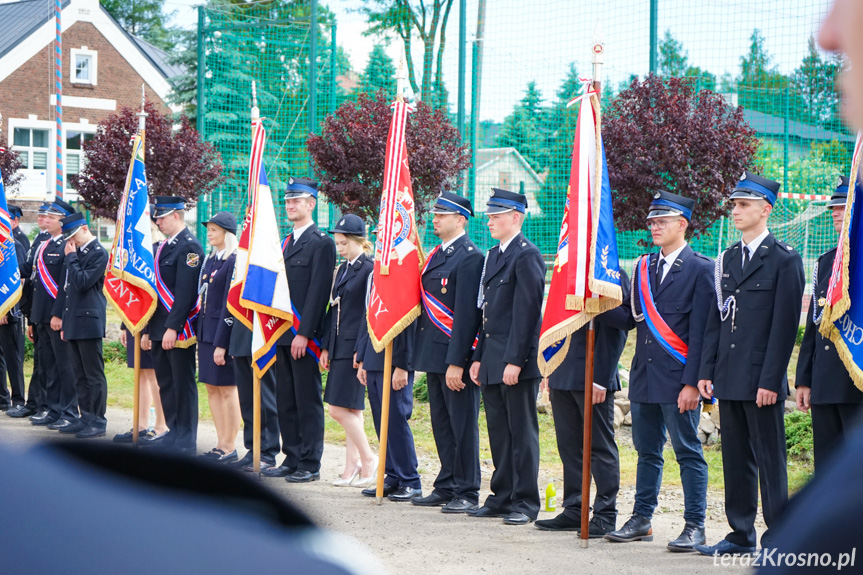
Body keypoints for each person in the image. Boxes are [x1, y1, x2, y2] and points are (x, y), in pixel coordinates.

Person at [696, 171, 805, 555]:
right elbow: (717, 321)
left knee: (770, 460)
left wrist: (771, 380)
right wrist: (707, 371)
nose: (736, 211)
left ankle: (779, 539)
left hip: (761, 379)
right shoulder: (725, 259)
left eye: (743, 204)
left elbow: (785, 327)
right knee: (735, 457)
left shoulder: (784, 260)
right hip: (730, 374)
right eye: (734, 205)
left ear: (765, 209)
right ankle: (740, 534)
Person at [599, 191, 712, 551]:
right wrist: (597, 298)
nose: (655, 227)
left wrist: (693, 383)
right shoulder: (644, 267)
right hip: (645, 377)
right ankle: (642, 518)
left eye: (662, 221)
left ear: (683, 224)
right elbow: (630, 319)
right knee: (647, 451)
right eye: (652, 222)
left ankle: (695, 525)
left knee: (687, 451)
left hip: (680, 380)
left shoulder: (701, 268)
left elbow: (704, 333)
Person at [468, 188, 545, 526]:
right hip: (492, 358)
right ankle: (501, 495)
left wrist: (515, 360)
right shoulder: (495, 255)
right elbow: (489, 316)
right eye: (489, 215)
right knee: (499, 431)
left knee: (522, 432)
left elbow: (527, 313)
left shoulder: (526, 255)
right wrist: (478, 356)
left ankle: (525, 501)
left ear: (516, 217)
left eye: (495, 215)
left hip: (517, 361)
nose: (489, 220)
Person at [535, 270, 629, 537]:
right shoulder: (568, 270)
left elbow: (617, 330)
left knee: (599, 446)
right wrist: (549, 368)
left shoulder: (608, 270)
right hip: (563, 371)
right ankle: (575, 508)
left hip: (592, 375)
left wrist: (601, 377)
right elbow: (555, 321)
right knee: (569, 446)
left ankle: (605, 513)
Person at [410, 193, 484, 513]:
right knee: (442, 422)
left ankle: (467, 489)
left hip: (456, 358)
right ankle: (447, 483)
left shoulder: (469, 257)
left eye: (443, 214)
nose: (435, 219)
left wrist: (458, 362)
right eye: (435, 214)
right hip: (433, 352)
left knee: (462, 424)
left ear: (461, 219)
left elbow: (468, 316)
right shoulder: (437, 255)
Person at [795, 177, 863, 471]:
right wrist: (804, 379)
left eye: (843, 206)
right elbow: (814, 325)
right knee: (826, 467)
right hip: (824, 383)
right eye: (834, 207)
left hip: (855, 382)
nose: (835, 212)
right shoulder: (826, 262)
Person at [271, 177, 335, 483]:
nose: (290, 205)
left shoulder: (322, 242)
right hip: (281, 332)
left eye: (296, 201)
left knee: (307, 399)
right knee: (285, 398)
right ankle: (292, 456)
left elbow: (318, 293)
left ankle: (310, 462)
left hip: (302, 335)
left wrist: (305, 333)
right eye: (287, 201)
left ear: (311, 204)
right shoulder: (285, 242)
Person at [141, 196, 205, 455]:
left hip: (177, 330)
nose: (158, 221)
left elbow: (186, 293)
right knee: (165, 383)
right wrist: (148, 329)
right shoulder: (163, 247)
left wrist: (173, 327)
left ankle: (187, 439)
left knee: (182, 383)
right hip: (158, 327)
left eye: (162, 217)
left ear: (176, 216)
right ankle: (173, 431)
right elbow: (155, 292)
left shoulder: (190, 248)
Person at [319, 214, 377, 487]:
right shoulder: (343, 269)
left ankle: (368, 459)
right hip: (339, 346)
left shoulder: (368, 268)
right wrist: (326, 348)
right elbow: (334, 311)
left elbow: (369, 314)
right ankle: (351, 465)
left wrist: (362, 351)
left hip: (355, 346)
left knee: (337, 410)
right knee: (352, 410)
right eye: (337, 243)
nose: (339, 248)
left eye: (343, 243)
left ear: (358, 241)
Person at [355, 277, 420, 501]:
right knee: (381, 422)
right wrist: (363, 358)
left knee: (396, 419)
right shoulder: (376, 271)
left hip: (394, 360)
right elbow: (370, 316)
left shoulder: (403, 268)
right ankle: (392, 475)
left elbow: (408, 319)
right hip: (374, 355)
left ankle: (410, 479)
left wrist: (403, 365)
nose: (381, 241)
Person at [57, 212, 109, 438]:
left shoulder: (98, 253)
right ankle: (85, 416)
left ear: (85, 229)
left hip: (89, 321)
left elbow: (82, 282)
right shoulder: (76, 253)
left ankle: (98, 420)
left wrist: (71, 258)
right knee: (78, 373)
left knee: (93, 374)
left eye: (74, 235)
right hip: (74, 320)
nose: (71, 241)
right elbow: (67, 292)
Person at [29, 198, 77, 429]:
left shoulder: (67, 245)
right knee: (48, 365)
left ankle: (68, 411)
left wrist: (58, 314)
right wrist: (33, 317)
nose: (45, 220)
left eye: (51, 217)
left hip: (56, 316)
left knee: (64, 366)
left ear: (63, 221)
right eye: (45, 216)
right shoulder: (45, 243)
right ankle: (52, 408)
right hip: (42, 315)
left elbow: (64, 286)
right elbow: (36, 283)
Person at [196, 212, 240, 463]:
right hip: (206, 332)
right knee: (212, 387)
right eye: (209, 229)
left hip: (222, 335)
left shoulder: (233, 261)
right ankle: (220, 442)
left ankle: (230, 445)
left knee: (227, 389)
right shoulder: (211, 260)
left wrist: (222, 343)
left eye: (214, 229)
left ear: (227, 233)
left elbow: (229, 305)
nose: (210, 234)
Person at [6, 204, 50, 419]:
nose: (41, 219)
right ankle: (31, 403)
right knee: (39, 361)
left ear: (13, 219)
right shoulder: (39, 239)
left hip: (24, 309)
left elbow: (23, 277)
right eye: (40, 216)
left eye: (45, 216)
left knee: (17, 358)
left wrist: (10, 307)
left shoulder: (18, 240)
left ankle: (24, 400)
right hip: (34, 309)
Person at [112, 325, 169, 442]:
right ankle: (141, 426)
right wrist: (124, 326)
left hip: (149, 323)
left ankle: (161, 426)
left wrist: (147, 331)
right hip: (134, 322)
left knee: (152, 373)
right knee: (140, 372)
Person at [0, 230, 27, 411]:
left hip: (8, 313)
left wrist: (5, 309)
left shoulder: (13, 245)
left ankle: (17, 400)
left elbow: (18, 280)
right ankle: (2, 399)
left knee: (12, 357)